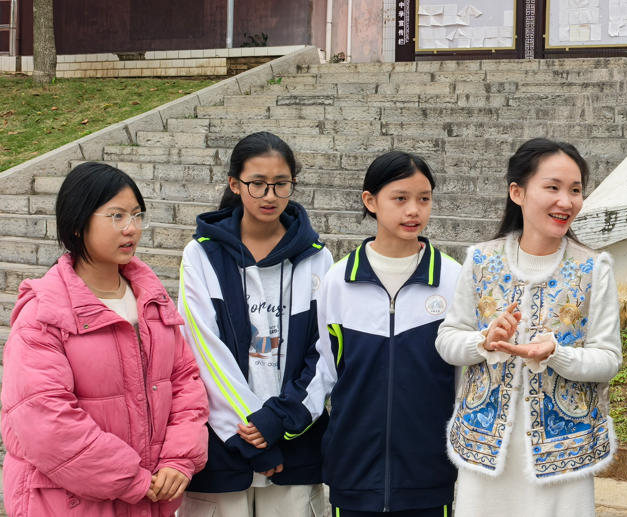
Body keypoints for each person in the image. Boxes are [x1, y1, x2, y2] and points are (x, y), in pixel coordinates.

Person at [1, 162, 209, 516]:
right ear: (78, 223)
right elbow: (45, 419)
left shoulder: (151, 300)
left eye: (137, 215)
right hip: (68, 503)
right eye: (116, 216)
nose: (131, 228)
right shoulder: (44, 314)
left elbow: (185, 382)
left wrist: (179, 459)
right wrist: (132, 479)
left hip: (150, 498)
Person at [435, 138, 622, 517]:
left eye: (575, 190)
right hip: (486, 450)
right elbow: (447, 340)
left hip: (565, 455)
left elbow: (608, 359)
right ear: (517, 192)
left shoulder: (593, 268)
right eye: (553, 187)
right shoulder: (481, 260)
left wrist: (557, 354)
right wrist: (483, 341)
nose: (566, 201)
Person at [176, 132, 335, 516]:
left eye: (281, 184)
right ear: (235, 184)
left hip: (295, 445)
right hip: (222, 449)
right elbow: (201, 351)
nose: (270, 195)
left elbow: (325, 354)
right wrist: (250, 435)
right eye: (257, 184)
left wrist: (279, 420)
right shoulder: (201, 256)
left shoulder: (317, 259)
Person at [318, 151, 461, 515]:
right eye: (400, 198)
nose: (414, 210)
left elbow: (464, 379)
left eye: (424, 199)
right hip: (353, 475)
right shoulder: (338, 280)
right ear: (371, 201)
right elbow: (324, 372)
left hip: (429, 476)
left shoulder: (454, 279)